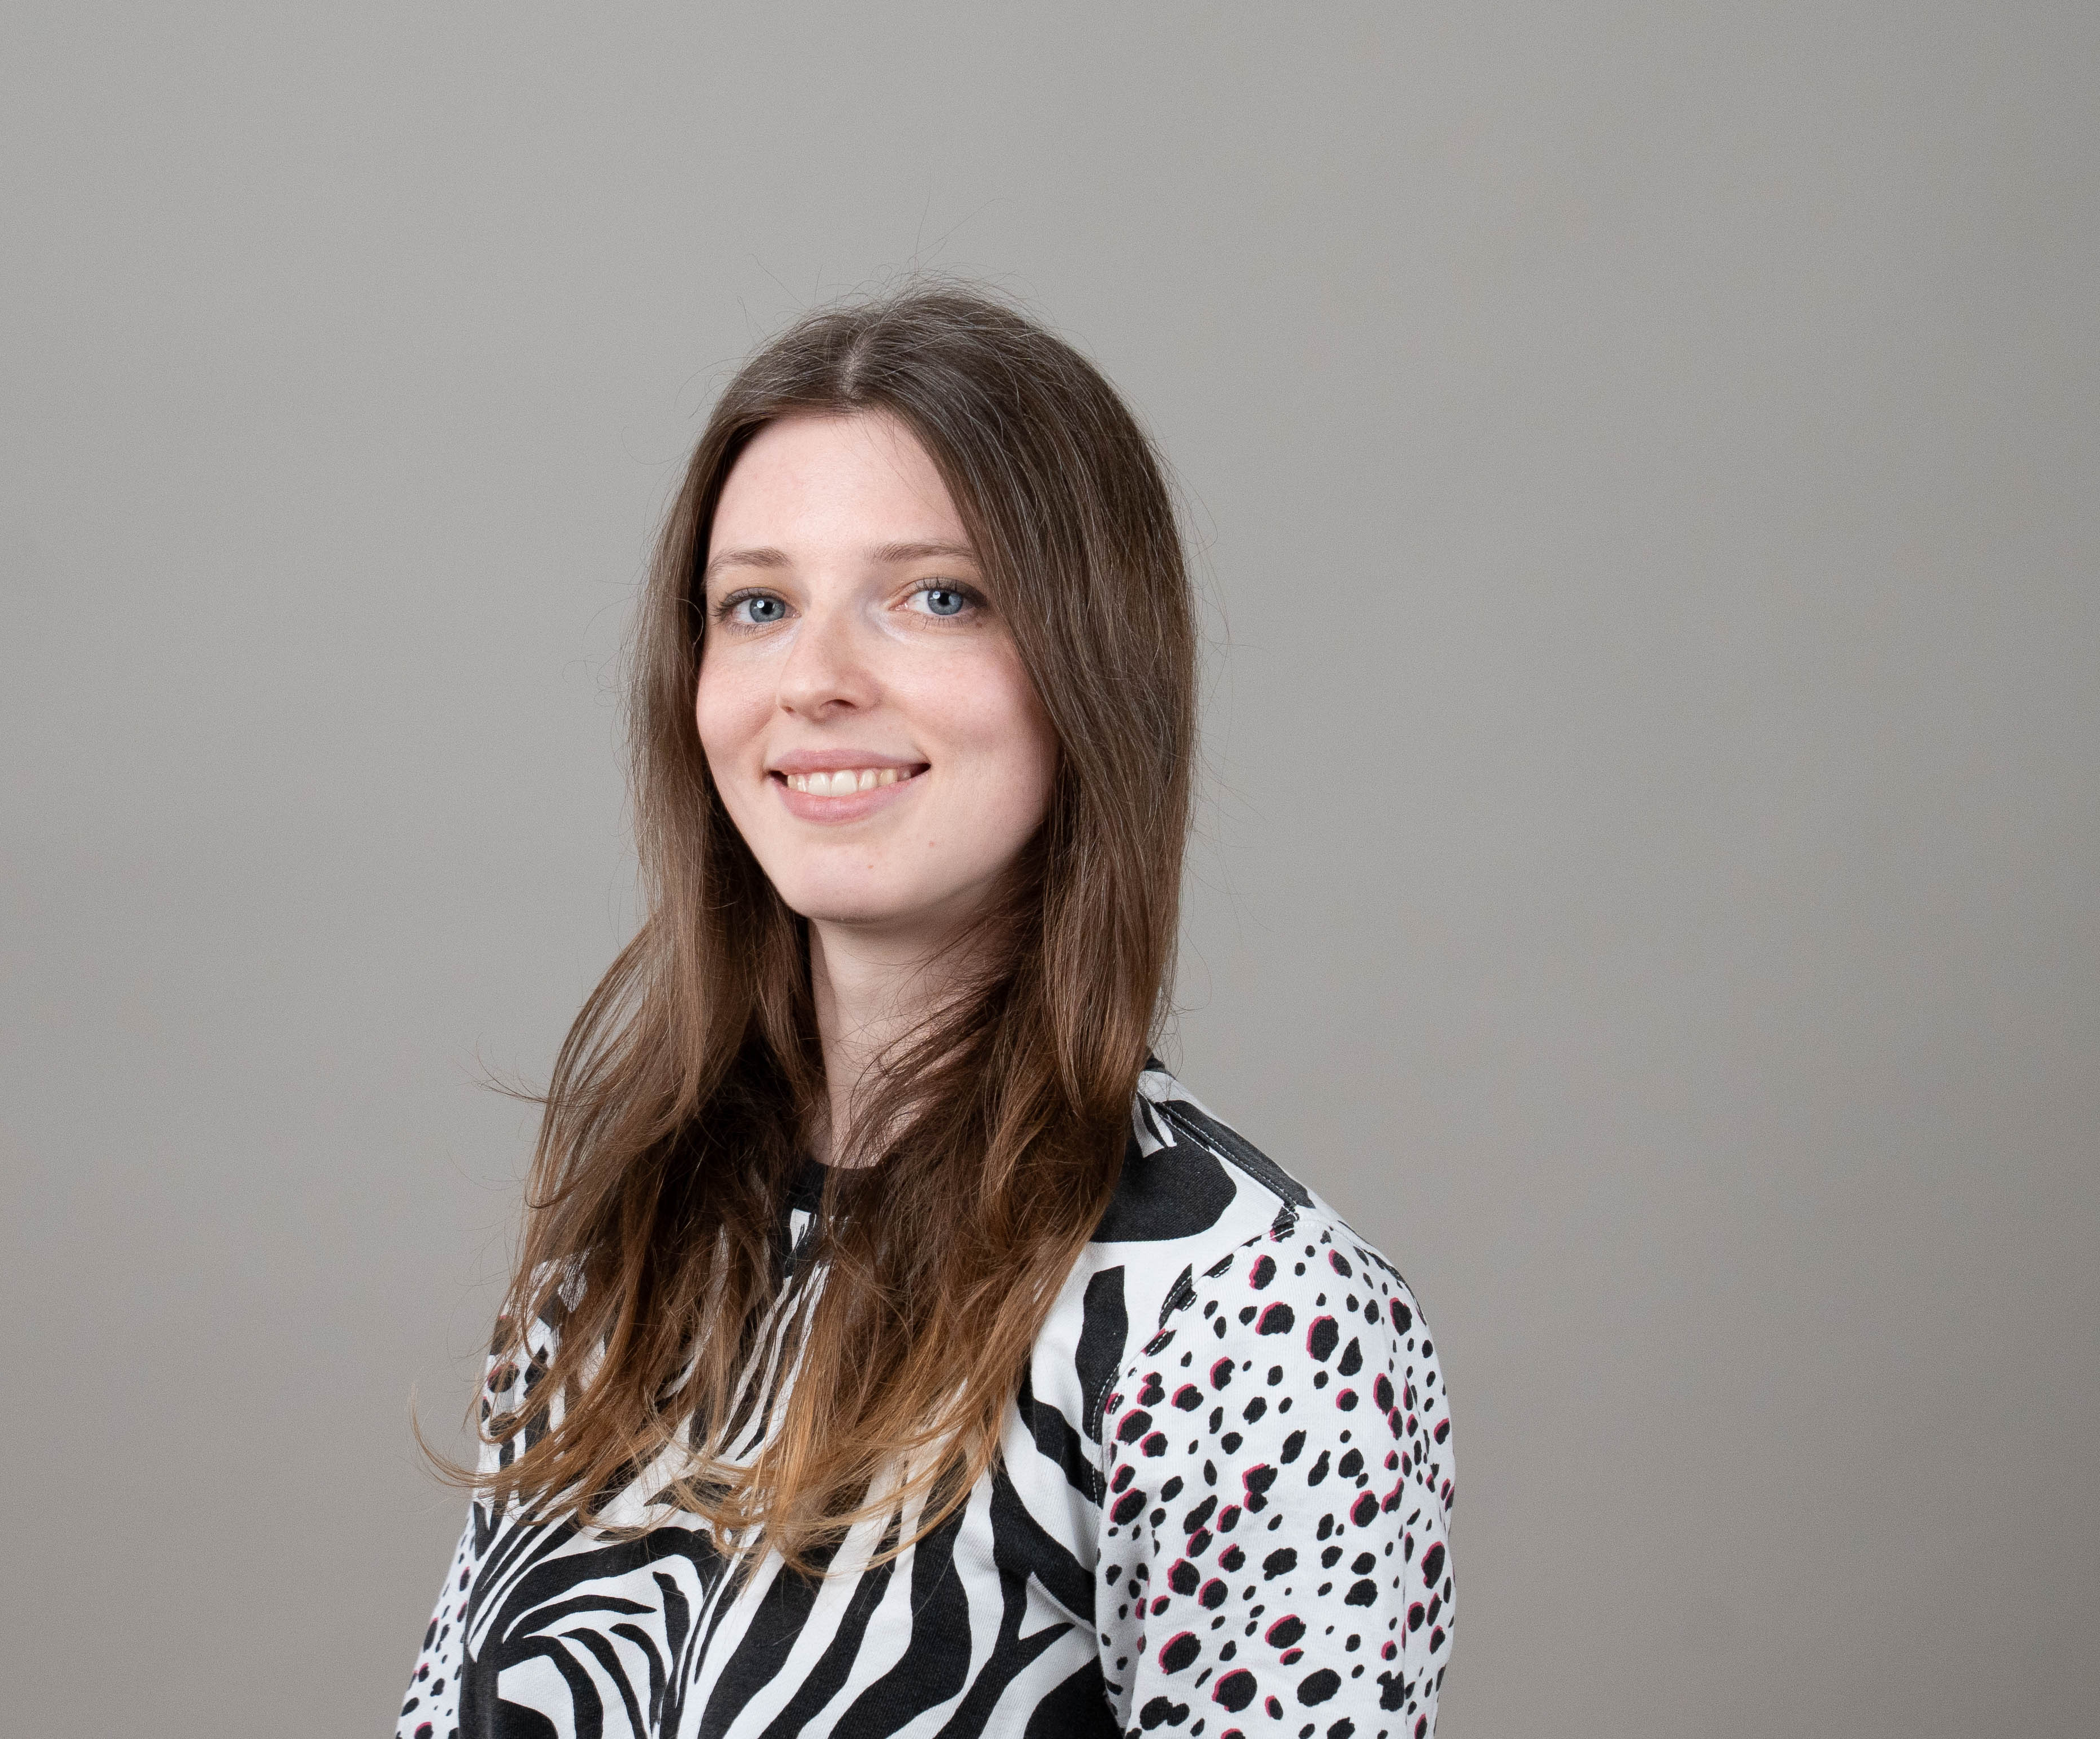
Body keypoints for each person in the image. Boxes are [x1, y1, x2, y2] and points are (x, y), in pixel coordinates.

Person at [397, 289, 1455, 1739]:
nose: (816, 682)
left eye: (937, 596)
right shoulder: (617, 1263)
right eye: (758, 606)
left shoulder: (1253, 1321)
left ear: (1092, 665)